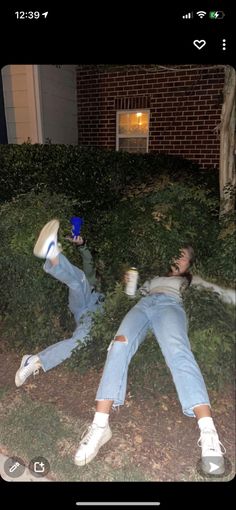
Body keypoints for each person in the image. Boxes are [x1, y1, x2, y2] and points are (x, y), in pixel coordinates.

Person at [74, 244, 234, 476]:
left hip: (170, 307)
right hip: (143, 305)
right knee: (118, 345)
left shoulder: (189, 280)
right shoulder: (154, 279)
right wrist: (130, 284)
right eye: (176, 254)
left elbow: (218, 291)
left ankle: (209, 434)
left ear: (189, 264)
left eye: (184, 257)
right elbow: (132, 294)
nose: (178, 259)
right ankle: (100, 426)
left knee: (179, 352)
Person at [15, 219, 104, 387]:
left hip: (89, 316)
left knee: (81, 339)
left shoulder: (113, 301)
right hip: (84, 297)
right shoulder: (91, 277)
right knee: (79, 281)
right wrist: (82, 243)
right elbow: (88, 260)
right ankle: (52, 252)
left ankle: (35, 360)